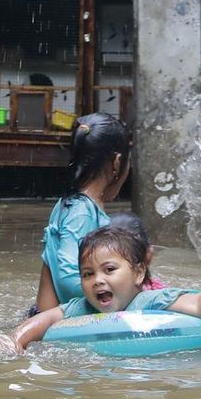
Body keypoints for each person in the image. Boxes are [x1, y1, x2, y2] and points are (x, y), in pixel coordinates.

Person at [0, 227, 201, 354]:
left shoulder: (150, 300)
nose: (97, 281)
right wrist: (16, 338)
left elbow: (199, 304)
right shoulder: (83, 308)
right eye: (87, 274)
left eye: (109, 270)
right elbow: (47, 318)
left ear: (139, 273)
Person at [32, 113, 132, 315]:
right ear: (117, 162)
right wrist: (127, 290)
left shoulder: (72, 205)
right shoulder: (81, 213)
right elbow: (67, 278)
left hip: (48, 315)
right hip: (63, 322)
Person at [107, 210, 167, 290]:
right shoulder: (164, 294)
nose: (98, 280)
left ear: (139, 271)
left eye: (110, 269)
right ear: (149, 255)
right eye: (89, 273)